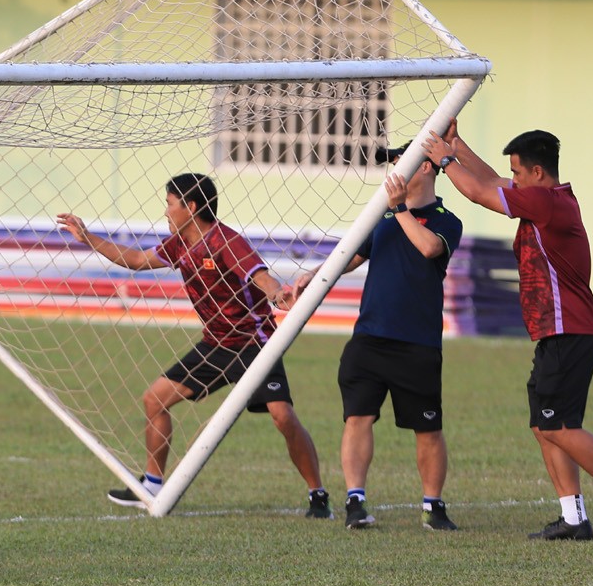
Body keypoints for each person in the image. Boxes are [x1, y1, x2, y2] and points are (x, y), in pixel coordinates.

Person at [57, 173, 331, 517]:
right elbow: (138, 260)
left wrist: (279, 295)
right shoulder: (179, 243)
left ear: (191, 207)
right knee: (154, 399)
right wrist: (87, 238)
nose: (166, 211)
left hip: (253, 345)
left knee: (283, 417)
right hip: (215, 346)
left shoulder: (226, 242)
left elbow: (261, 278)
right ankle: (152, 486)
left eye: (170, 204)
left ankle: (317, 494)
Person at [424, 124, 593, 540]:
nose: (513, 179)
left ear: (538, 173)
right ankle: (573, 520)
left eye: (518, 173)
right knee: (546, 425)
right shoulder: (543, 197)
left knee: (560, 426)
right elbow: (490, 181)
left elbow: (478, 192)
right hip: (557, 332)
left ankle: (576, 518)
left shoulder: (547, 201)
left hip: (569, 330)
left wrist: (444, 161)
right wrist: (457, 145)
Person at [287, 146, 463, 531]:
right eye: (394, 162)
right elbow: (351, 255)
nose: (395, 170)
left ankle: (433, 506)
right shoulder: (380, 217)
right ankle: (355, 501)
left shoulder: (446, 220)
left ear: (429, 168)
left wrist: (400, 210)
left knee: (428, 429)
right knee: (357, 418)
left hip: (418, 343)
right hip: (368, 338)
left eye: (405, 162)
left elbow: (429, 247)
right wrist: (313, 274)